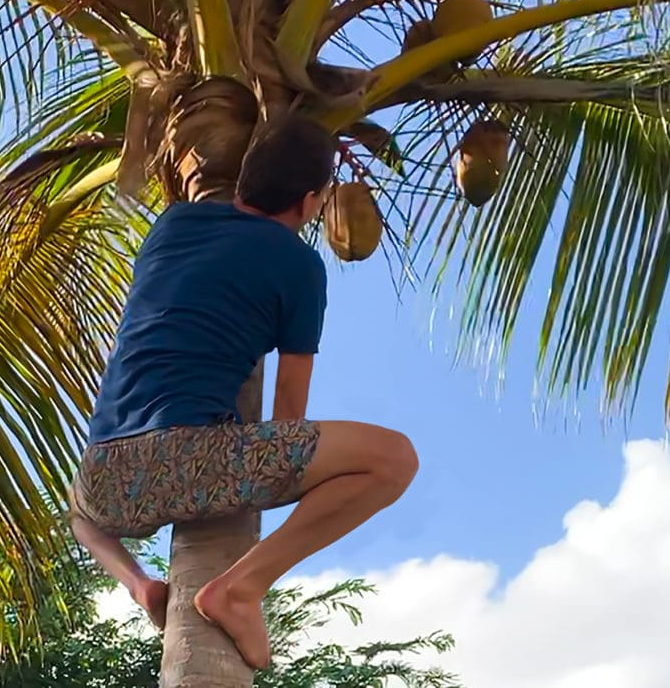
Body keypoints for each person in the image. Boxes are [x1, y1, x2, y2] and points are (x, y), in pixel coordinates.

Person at [68, 114, 418, 670]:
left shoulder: (172, 224)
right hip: (187, 458)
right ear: (309, 202)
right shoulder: (300, 266)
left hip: (102, 479)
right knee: (395, 459)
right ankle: (242, 586)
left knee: (77, 512)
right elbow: (285, 423)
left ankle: (137, 584)